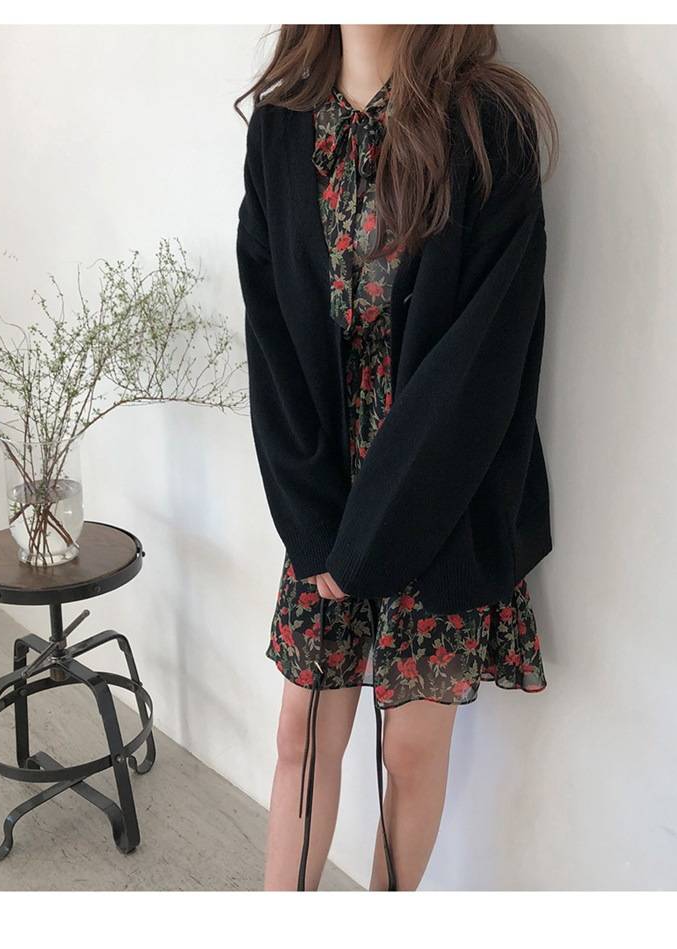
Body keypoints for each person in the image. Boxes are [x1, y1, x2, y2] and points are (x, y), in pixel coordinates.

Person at [235, 24, 558, 891]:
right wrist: (315, 528)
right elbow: (270, 338)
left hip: (440, 487)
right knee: (301, 733)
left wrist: (373, 542)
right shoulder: (280, 129)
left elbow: (483, 361)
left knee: (408, 751)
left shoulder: (486, 123)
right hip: (322, 488)